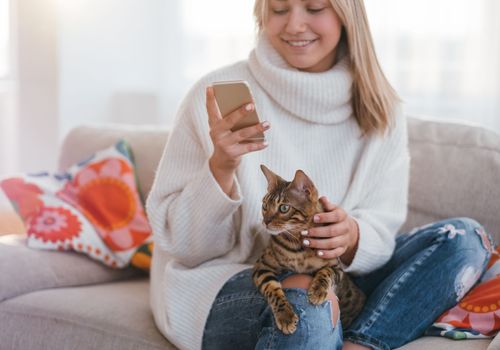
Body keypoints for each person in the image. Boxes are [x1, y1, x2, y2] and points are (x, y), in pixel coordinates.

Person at [146, 0, 493, 349]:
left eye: (314, 8)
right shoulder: (214, 94)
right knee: (307, 300)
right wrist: (220, 167)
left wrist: (353, 236)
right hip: (232, 279)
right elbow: (184, 248)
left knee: (465, 238)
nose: (295, 25)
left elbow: (383, 228)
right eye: (280, 9)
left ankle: (362, 343)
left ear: (347, 15)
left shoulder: (382, 108)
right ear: (261, 14)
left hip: (342, 277)